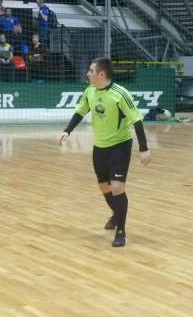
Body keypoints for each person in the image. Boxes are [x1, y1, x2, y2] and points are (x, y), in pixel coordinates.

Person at [58, 57, 152, 247]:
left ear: (101, 74)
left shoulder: (120, 94)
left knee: (117, 187)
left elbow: (136, 119)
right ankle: (117, 214)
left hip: (120, 145)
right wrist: (67, 130)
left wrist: (143, 148)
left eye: (91, 71)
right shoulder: (89, 91)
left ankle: (121, 232)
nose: (88, 74)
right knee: (104, 187)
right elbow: (80, 111)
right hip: (99, 146)